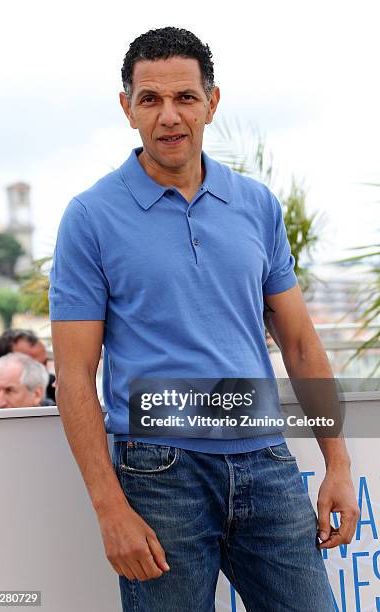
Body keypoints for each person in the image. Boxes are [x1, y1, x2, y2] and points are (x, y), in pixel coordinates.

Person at [49, 27, 359, 612]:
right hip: (158, 471)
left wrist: (337, 462)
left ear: (212, 103)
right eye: (150, 100)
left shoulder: (256, 205)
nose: (169, 116)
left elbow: (298, 343)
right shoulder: (90, 216)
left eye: (185, 98)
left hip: (266, 460)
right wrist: (109, 506)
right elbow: (74, 374)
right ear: (127, 109)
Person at [0, 329, 56, 410]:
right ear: (2, 363)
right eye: (29, 364)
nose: (43, 371)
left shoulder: (57, 390)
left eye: (44, 363)